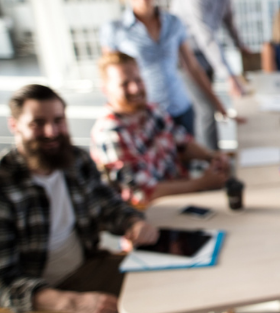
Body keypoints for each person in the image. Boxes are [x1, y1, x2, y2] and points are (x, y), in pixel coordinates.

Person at [0, 84, 172, 313]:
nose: (51, 132)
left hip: (86, 269)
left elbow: (109, 205)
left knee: (167, 292)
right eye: (38, 123)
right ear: (14, 125)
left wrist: (133, 223)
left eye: (58, 121)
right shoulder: (5, 186)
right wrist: (72, 302)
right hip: (34, 306)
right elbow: (4, 282)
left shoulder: (75, 161)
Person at [100, 0, 229, 137]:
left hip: (180, 108)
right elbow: (110, 81)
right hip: (144, 115)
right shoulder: (114, 30)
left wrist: (217, 104)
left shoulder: (174, 22)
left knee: (188, 161)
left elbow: (192, 67)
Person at [91, 51, 231, 209]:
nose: (135, 88)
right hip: (156, 212)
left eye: (138, 80)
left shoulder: (152, 110)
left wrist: (211, 157)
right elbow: (143, 193)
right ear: (105, 89)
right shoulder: (110, 134)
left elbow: (183, 143)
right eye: (124, 84)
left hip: (183, 194)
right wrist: (201, 184)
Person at [171, 0, 251, 150]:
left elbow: (228, 18)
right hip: (186, 56)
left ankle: (214, 157)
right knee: (207, 109)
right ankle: (212, 164)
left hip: (205, 53)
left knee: (211, 108)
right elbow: (205, 34)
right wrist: (229, 75)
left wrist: (240, 45)